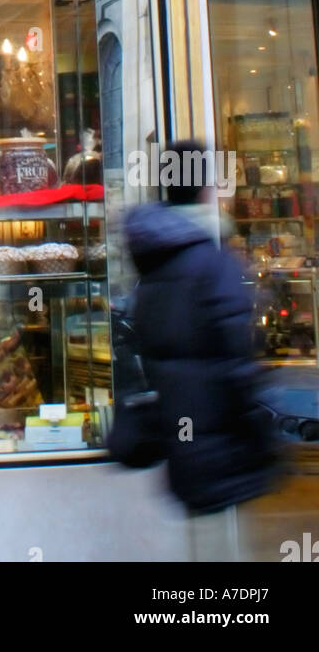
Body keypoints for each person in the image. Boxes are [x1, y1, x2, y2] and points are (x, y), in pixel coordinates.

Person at [119, 139, 279, 560]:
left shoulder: (152, 265)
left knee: (202, 545)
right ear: (205, 186)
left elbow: (148, 351)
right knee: (222, 550)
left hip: (182, 438)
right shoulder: (213, 261)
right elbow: (237, 356)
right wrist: (257, 423)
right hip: (223, 439)